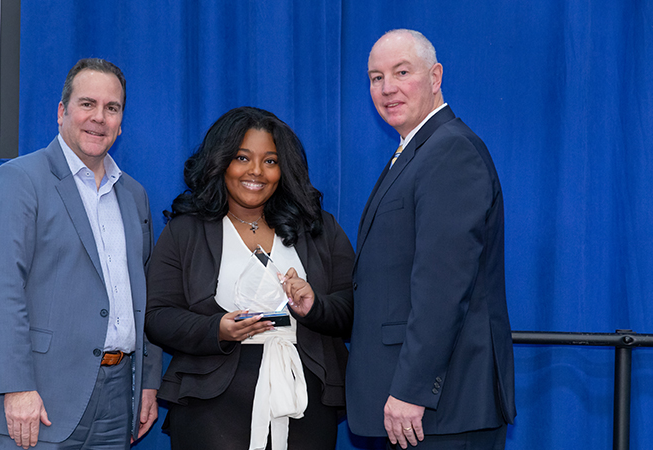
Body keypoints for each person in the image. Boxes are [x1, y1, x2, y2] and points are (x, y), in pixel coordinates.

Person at [0, 58, 162, 449]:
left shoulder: (134, 195)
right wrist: (16, 387)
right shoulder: (20, 180)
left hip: (117, 399)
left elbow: (147, 296)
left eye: (112, 108)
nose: (99, 118)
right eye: (87, 104)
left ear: (121, 121)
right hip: (38, 399)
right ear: (62, 112)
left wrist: (146, 382)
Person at [145, 106, 354, 450]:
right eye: (242, 158)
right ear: (220, 161)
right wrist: (217, 330)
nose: (256, 171)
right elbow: (157, 317)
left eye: (270, 161)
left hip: (304, 402)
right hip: (211, 408)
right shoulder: (186, 231)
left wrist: (316, 306)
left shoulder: (318, 227)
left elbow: (353, 306)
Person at [346, 29, 516, 449]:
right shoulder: (417, 150)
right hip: (420, 412)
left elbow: (442, 287)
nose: (387, 88)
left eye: (401, 72)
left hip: (440, 410)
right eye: (375, 77)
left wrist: (412, 389)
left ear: (435, 76)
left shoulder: (450, 151)